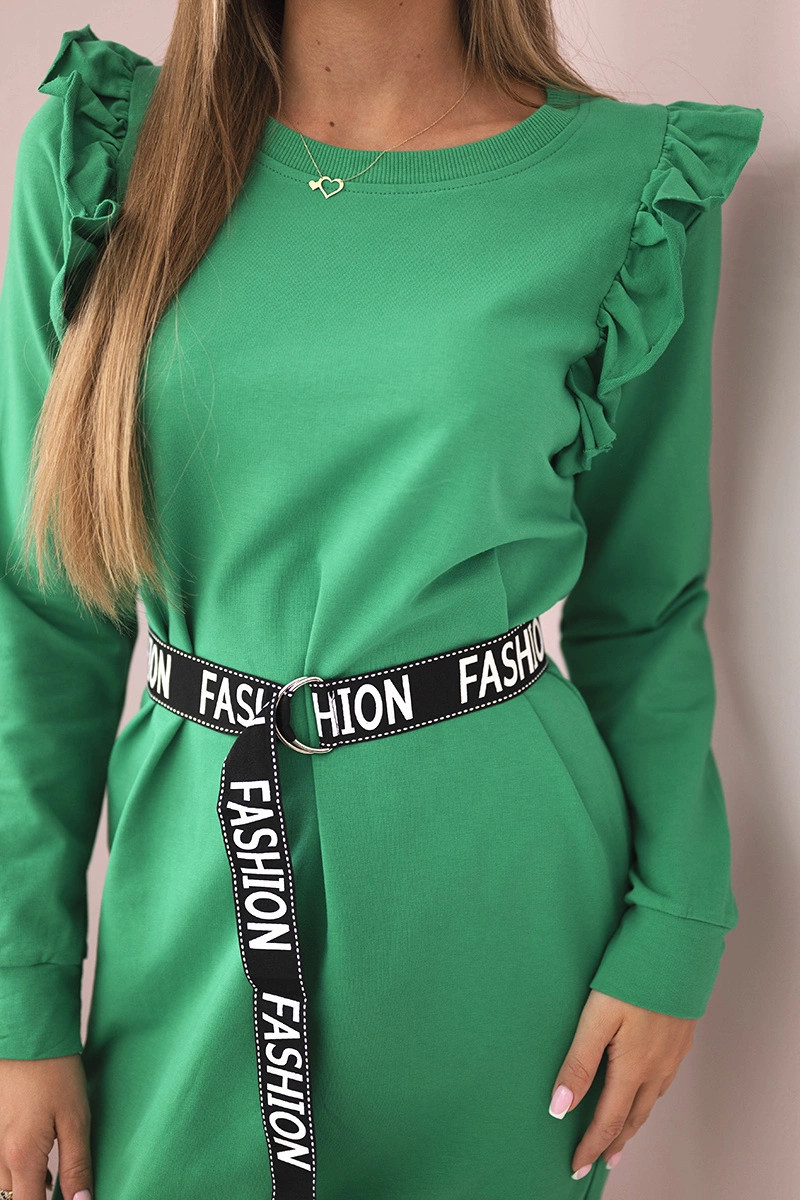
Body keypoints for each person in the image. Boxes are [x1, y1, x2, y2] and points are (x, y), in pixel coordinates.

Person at [0, 2, 763, 1198]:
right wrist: (19, 995)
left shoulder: (628, 187)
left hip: (508, 912)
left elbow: (644, 608)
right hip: (194, 896)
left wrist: (677, 922)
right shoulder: (105, 153)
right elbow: (40, 611)